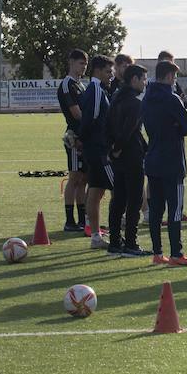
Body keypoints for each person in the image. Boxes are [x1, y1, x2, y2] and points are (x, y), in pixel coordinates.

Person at [143, 60, 187, 266]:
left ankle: (157, 253)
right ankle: (176, 253)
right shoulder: (172, 99)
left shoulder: (147, 98)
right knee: (174, 209)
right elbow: (185, 126)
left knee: (156, 209)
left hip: (153, 158)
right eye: (174, 77)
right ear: (168, 77)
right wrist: (174, 125)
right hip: (172, 161)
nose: (175, 81)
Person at [105, 63, 149, 257]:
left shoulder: (115, 97)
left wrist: (111, 150)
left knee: (118, 199)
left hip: (118, 158)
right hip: (130, 156)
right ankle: (131, 243)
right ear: (134, 80)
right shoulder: (135, 103)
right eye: (143, 79)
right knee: (134, 200)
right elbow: (129, 130)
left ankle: (114, 242)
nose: (145, 83)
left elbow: (107, 127)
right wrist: (117, 149)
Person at [80, 55, 115, 249]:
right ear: (98, 71)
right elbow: (90, 120)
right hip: (99, 150)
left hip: (94, 148)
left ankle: (95, 237)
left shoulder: (97, 90)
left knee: (95, 191)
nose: (111, 76)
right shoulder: (95, 91)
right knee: (119, 189)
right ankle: (118, 233)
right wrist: (84, 140)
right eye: (108, 72)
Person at [56, 49, 89, 233]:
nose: (83, 67)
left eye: (85, 64)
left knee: (83, 179)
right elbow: (76, 114)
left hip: (84, 136)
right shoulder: (68, 84)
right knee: (74, 178)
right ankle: (70, 221)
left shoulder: (80, 85)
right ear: (71, 63)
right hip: (75, 137)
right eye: (80, 63)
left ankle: (83, 220)